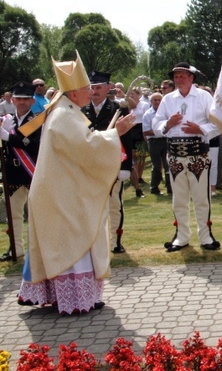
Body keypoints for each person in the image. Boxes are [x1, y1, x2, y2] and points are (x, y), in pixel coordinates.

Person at [17, 52, 136, 314]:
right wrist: (118, 133)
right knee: (71, 242)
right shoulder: (64, 115)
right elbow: (88, 147)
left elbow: (84, 145)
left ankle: (80, 297)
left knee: (75, 239)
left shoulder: (67, 111)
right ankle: (73, 300)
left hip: (65, 192)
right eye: (86, 88)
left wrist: (110, 134)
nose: (91, 92)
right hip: (61, 197)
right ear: (73, 93)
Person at [153, 62, 221, 252]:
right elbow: (156, 124)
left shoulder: (204, 96)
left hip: (198, 153)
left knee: (201, 198)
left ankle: (205, 236)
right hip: (174, 154)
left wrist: (199, 128)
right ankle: (181, 237)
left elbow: (217, 123)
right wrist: (168, 123)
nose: (179, 79)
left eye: (183, 76)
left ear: (191, 77)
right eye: (176, 76)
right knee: (179, 199)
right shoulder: (167, 99)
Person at [81, 70, 135, 254]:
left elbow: (127, 140)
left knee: (114, 204)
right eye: (92, 87)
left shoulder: (118, 109)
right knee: (90, 205)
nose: (94, 91)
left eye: (98, 87)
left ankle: (114, 241)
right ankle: (94, 241)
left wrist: (126, 166)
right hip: (89, 164)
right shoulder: (82, 110)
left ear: (108, 88)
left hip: (112, 162)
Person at [0, 82, 40, 262]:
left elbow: (32, 145)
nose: (21, 102)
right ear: (12, 100)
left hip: (32, 172)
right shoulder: (8, 120)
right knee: (13, 214)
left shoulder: (38, 120)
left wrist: (9, 137)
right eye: (18, 99)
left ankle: (36, 249)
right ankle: (15, 248)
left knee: (35, 214)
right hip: (13, 172)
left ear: (32, 101)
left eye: (25, 99)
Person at [143, 92, 171, 195]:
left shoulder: (165, 113)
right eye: (155, 100)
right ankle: (154, 187)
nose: (157, 102)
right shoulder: (147, 114)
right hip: (154, 141)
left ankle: (170, 187)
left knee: (168, 164)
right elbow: (146, 131)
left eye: (159, 100)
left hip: (165, 140)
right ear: (151, 101)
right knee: (157, 165)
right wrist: (161, 130)